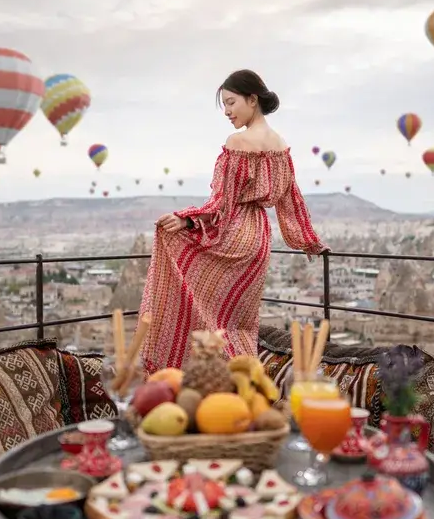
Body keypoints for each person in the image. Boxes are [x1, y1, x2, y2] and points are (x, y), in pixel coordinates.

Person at [139, 69, 328, 373]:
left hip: (234, 234)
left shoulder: (238, 142)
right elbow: (291, 201)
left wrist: (186, 221)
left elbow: (221, 204)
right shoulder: (281, 146)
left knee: (195, 303)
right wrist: (308, 241)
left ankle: (190, 373)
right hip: (258, 242)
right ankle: (242, 380)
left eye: (230, 103)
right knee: (238, 323)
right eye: (224, 105)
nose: (226, 112)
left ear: (252, 99)